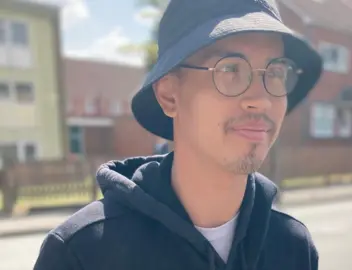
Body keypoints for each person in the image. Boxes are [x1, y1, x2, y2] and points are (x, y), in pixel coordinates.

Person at [33, 0, 323, 269]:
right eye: (230, 69)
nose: (261, 100)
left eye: (275, 73)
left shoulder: (292, 246)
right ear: (170, 96)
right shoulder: (82, 253)